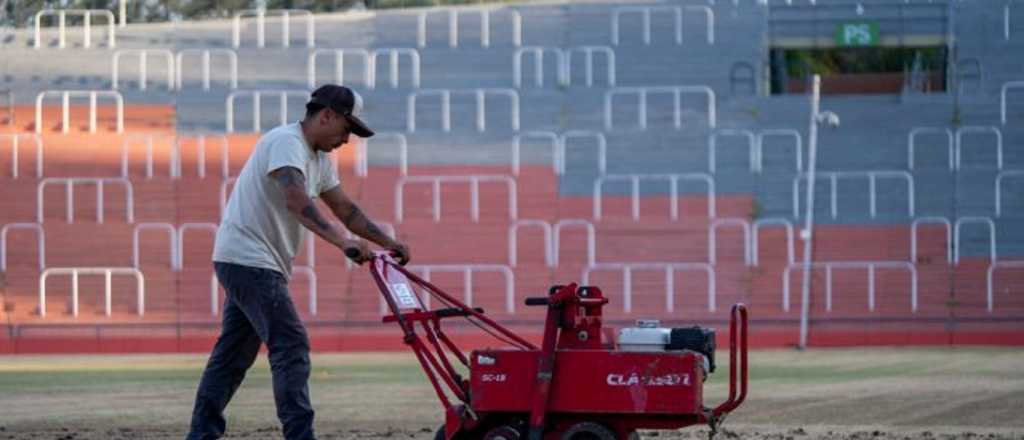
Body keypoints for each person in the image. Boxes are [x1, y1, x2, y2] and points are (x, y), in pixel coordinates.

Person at [185, 84, 410, 440]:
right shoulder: (286, 142)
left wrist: (388, 241)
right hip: (248, 259)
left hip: (254, 261)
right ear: (327, 116)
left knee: (232, 358)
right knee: (290, 345)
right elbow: (295, 199)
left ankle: (201, 434)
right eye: (346, 129)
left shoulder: (320, 160)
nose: (347, 140)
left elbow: (345, 210)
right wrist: (343, 244)